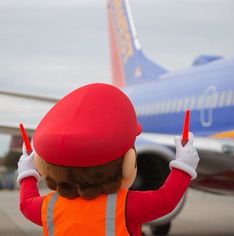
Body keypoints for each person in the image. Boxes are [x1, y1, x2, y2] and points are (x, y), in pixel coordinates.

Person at [17, 83, 199, 236]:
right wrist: (182, 168)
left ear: (43, 165)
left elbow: (26, 204)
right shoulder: (124, 205)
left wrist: (27, 175)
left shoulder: (49, 206)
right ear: (128, 163)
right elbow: (165, 201)